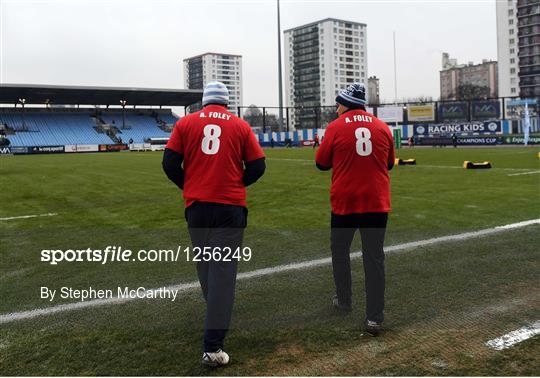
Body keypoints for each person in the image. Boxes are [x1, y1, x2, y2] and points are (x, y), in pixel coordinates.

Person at [162, 82, 266, 367]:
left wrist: (190, 185)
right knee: (222, 274)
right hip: (229, 208)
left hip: (197, 208)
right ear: (227, 102)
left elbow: (169, 163)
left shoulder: (186, 123)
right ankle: (212, 346)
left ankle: (215, 314)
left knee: (206, 267)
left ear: (205, 102)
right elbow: (258, 166)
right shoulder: (240, 126)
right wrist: (236, 183)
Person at [315, 82, 395, 337]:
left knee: (340, 252)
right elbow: (389, 164)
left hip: (345, 203)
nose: (336, 108)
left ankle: (344, 300)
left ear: (346, 103)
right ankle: (374, 318)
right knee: (374, 258)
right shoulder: (382, 127)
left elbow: (321, 163)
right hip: (376, 202)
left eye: (339, 103)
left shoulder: (335, 127)